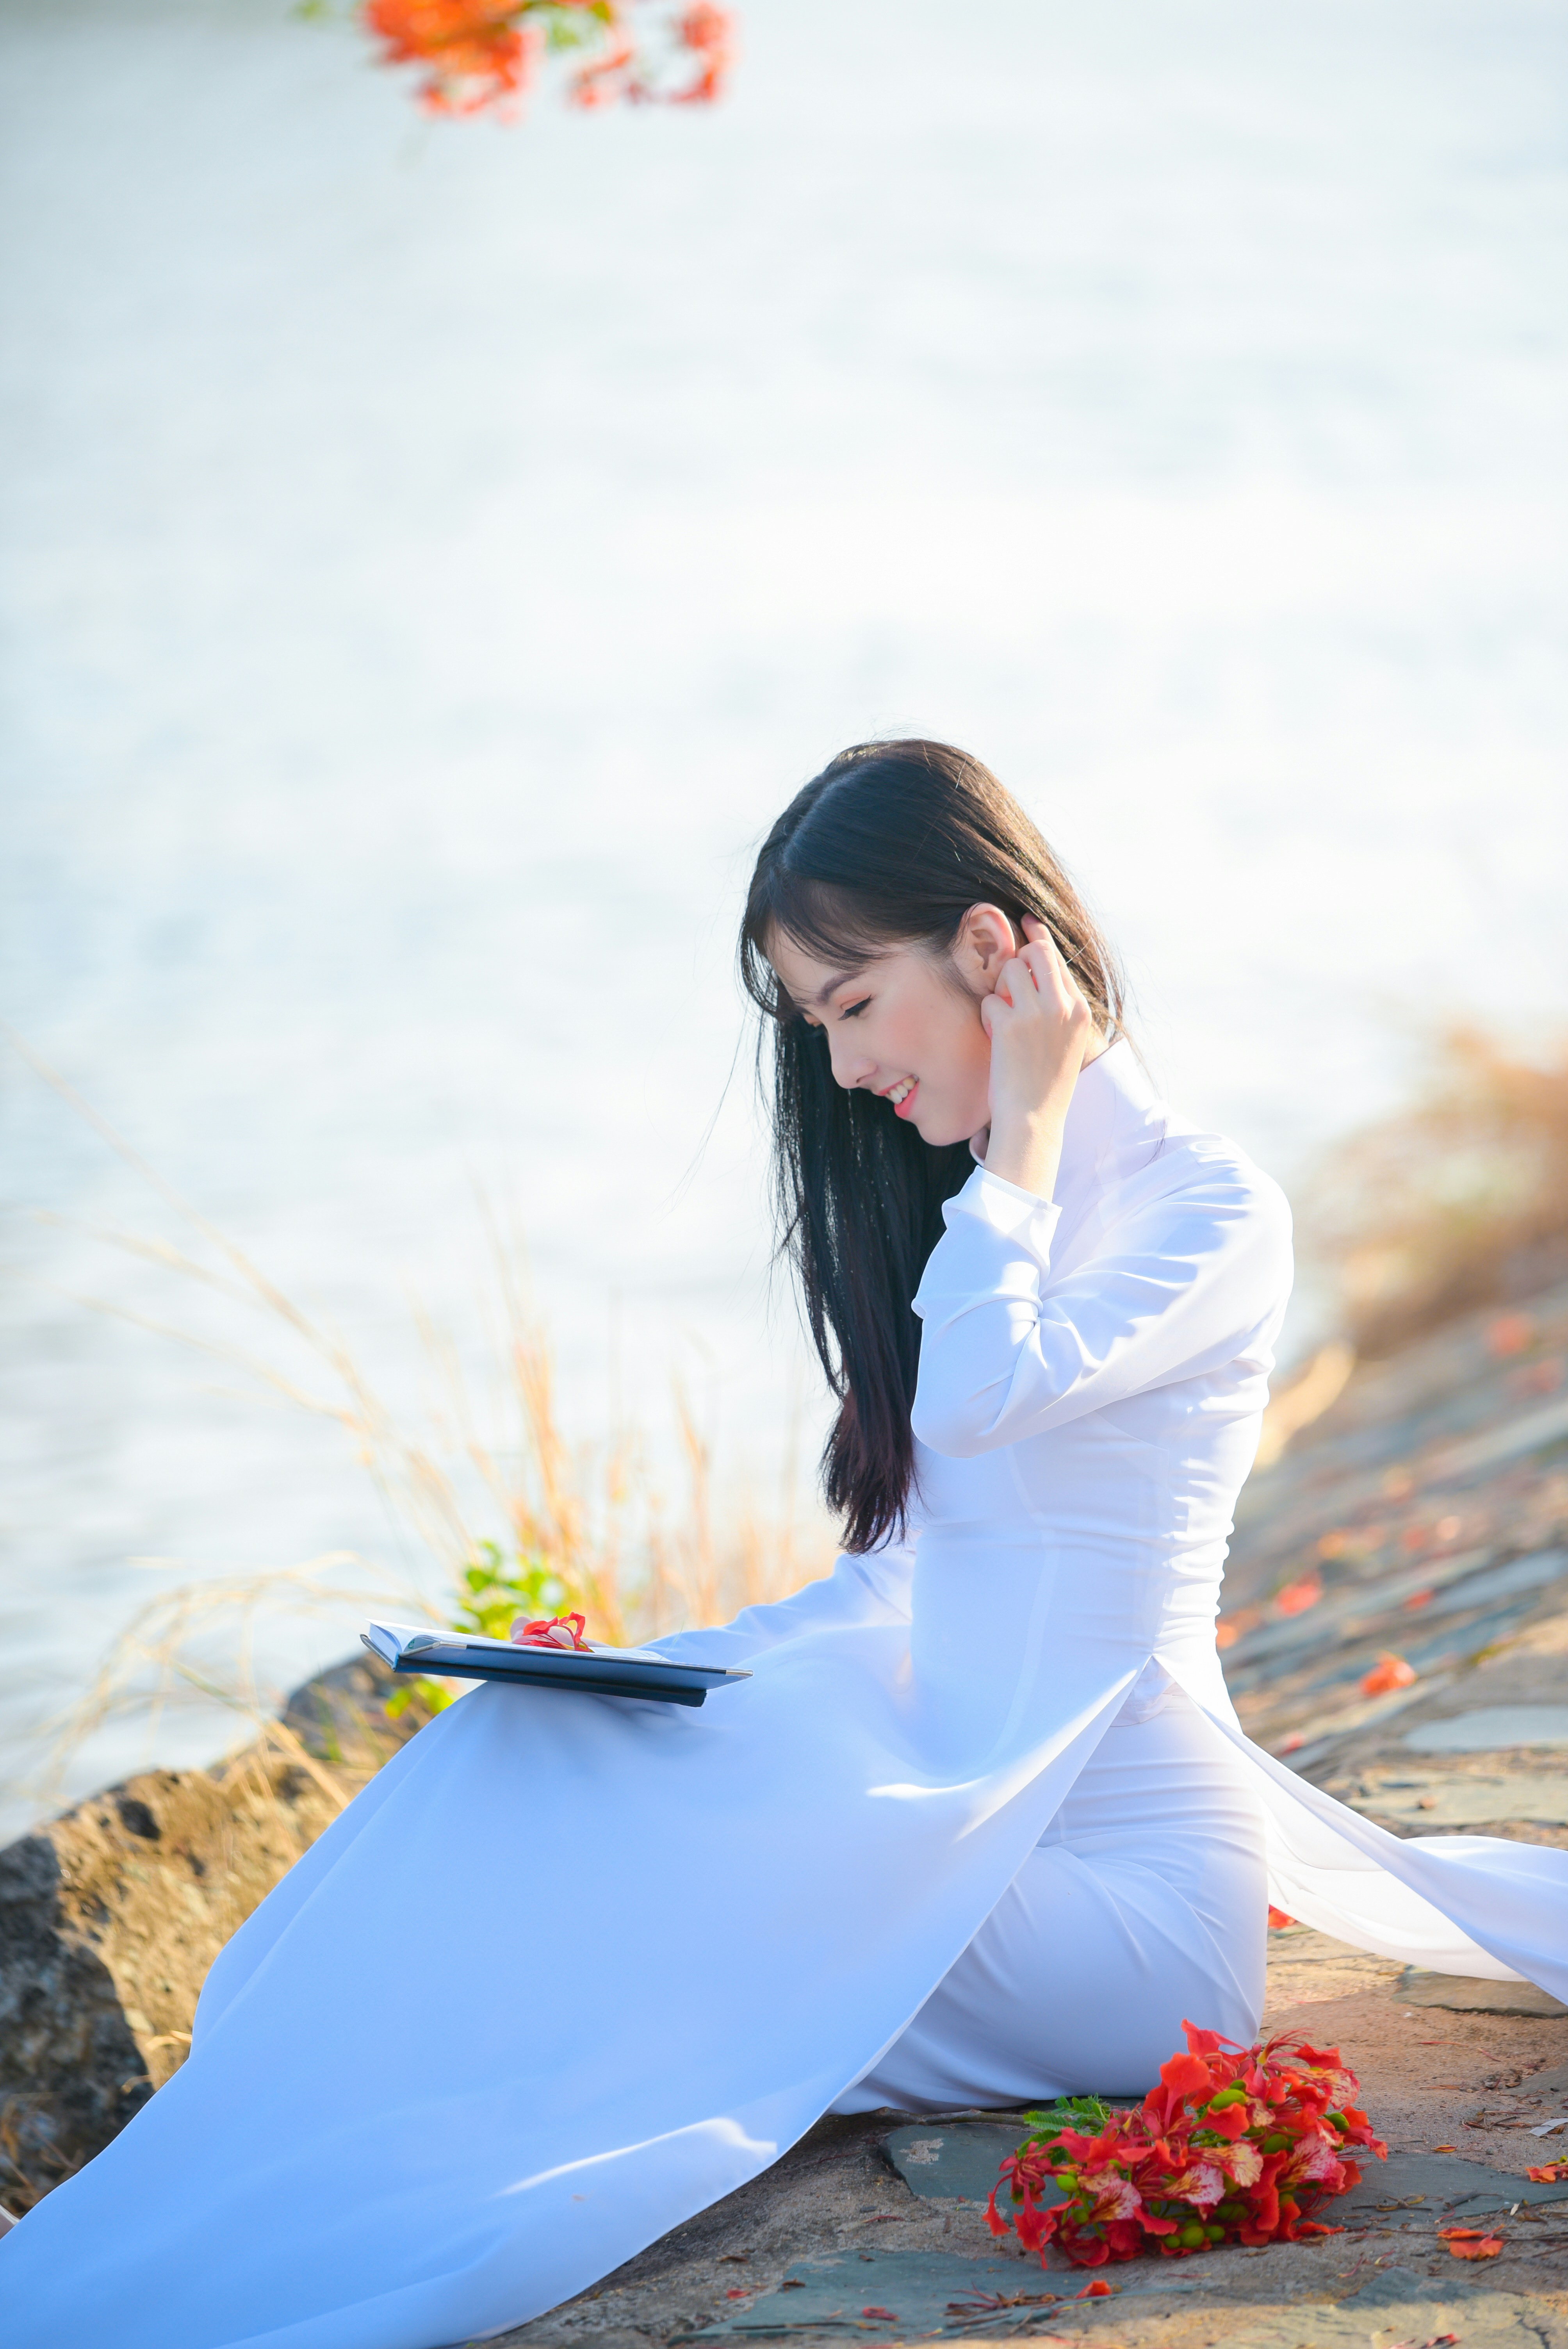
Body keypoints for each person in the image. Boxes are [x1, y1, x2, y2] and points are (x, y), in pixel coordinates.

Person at [3, 740, 1563, 2349]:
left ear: (987, 946)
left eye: (846, 1003)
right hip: (954, 1831)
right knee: (505, 1768)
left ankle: (310, 2230)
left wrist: (1021, 1136)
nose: (837, 1070)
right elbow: (904, 1580)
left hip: (1125, 1903)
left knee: (627, 1930)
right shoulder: (981, 1224)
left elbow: (974, 1402)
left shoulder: (1202, 1211)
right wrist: (632, 1675)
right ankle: (224, 2179)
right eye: (812, 1022)